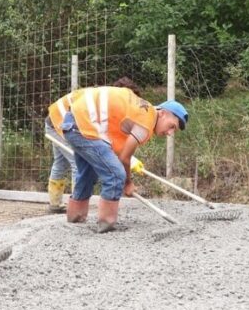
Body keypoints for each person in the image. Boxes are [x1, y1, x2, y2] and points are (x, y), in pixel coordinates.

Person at [58, 85, 188, 233]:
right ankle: (106, 224)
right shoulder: (146, 120)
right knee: (115, 174)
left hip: (76, 122)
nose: (170, 133)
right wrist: (128, 183)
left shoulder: (142, 110)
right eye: (172, 126)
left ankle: (75, 218)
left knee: (88, 172)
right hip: (82, 125)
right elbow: (125, 158)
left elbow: (121, 151)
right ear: (163, 113)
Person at [43, 77, 142, 214]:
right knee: (78, 163)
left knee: (60, 163)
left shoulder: (103, 96)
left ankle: (55, 204)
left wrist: (129, 158)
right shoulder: (107, 102)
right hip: (61, 123)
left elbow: (103, 137)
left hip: (55, 119)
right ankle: (77, 205)